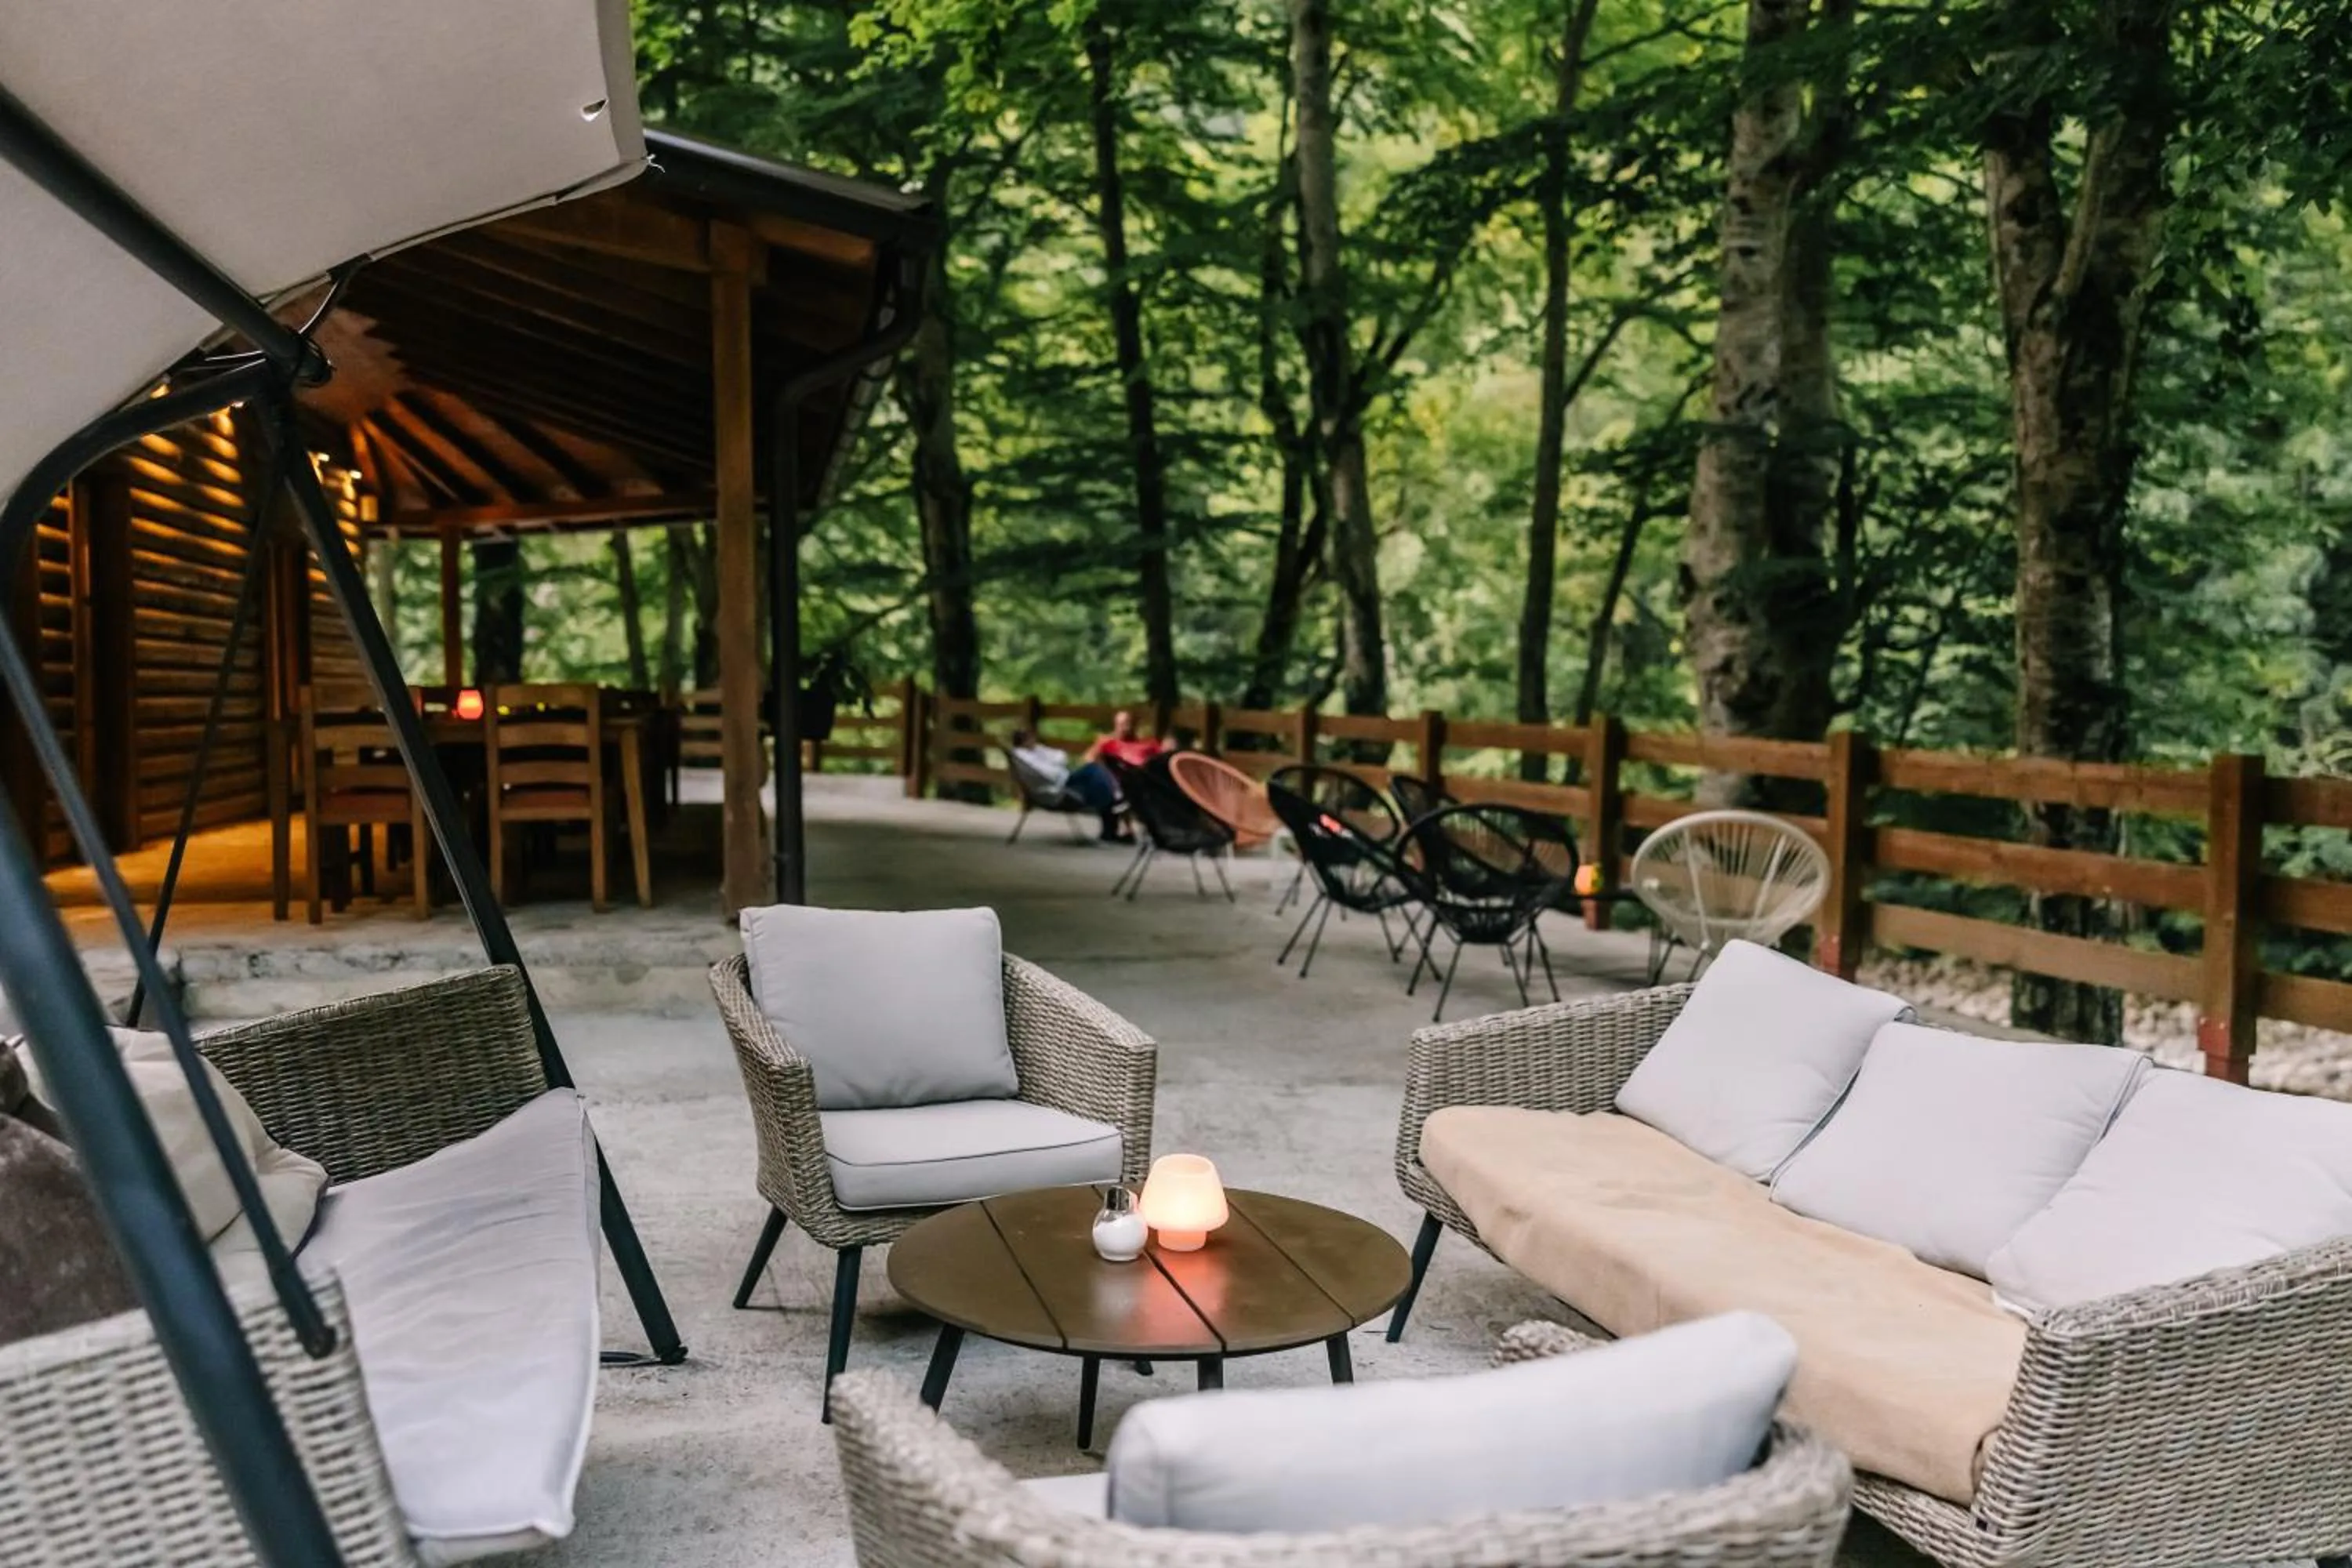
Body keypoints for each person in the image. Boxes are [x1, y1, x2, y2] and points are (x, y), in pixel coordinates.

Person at [1008, 728, 1126, 840]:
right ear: (1023, 741)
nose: (1034, 741)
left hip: (1064, 779)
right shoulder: (1023, 757)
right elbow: (1047, 773)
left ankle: (1113, 807)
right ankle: (1114, 804)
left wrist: (1050, 760)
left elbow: (1061, 756)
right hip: (1059, 787)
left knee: (1098, 775)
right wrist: (1055, 765)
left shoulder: (1035, 750)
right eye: (1030, 738)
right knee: (1095, 773)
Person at [1083, 709, 1164, 770]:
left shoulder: (1147, 744)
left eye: (1127, 724)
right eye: (1120, 724)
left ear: (1134, 725)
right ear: (1115, 725)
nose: (1124, 728)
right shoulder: (1107, 742)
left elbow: (1162, 759)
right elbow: (1089, 758)